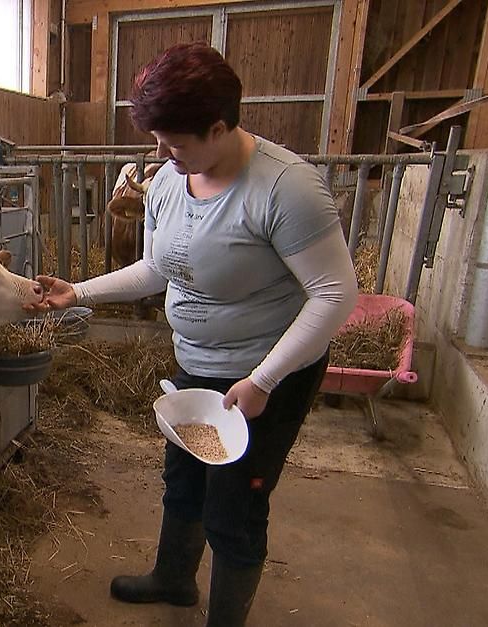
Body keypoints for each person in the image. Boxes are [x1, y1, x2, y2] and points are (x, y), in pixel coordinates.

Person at [32, 42, 357, 626]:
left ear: (218, 126)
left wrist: (263, 380)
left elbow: (335, 295)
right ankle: (174, 579)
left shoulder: (287, 190)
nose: (163, 155)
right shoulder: (167, 182)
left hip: (265, 375)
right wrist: (77, 292)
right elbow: (156, 268)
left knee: (235, 506)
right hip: (195, 366)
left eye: (176, 142)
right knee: (183, 478)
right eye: (159, 140)